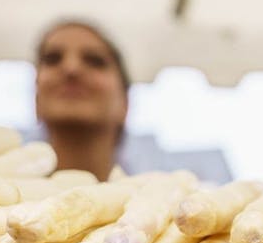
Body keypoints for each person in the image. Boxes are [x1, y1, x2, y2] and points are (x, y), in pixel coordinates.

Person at [32, 19, 232, 182]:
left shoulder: (168, 208)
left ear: (126, 103)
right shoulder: (3, 204)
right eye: (52, 59)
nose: (71, 68)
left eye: (95, 61)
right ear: (36, 98)